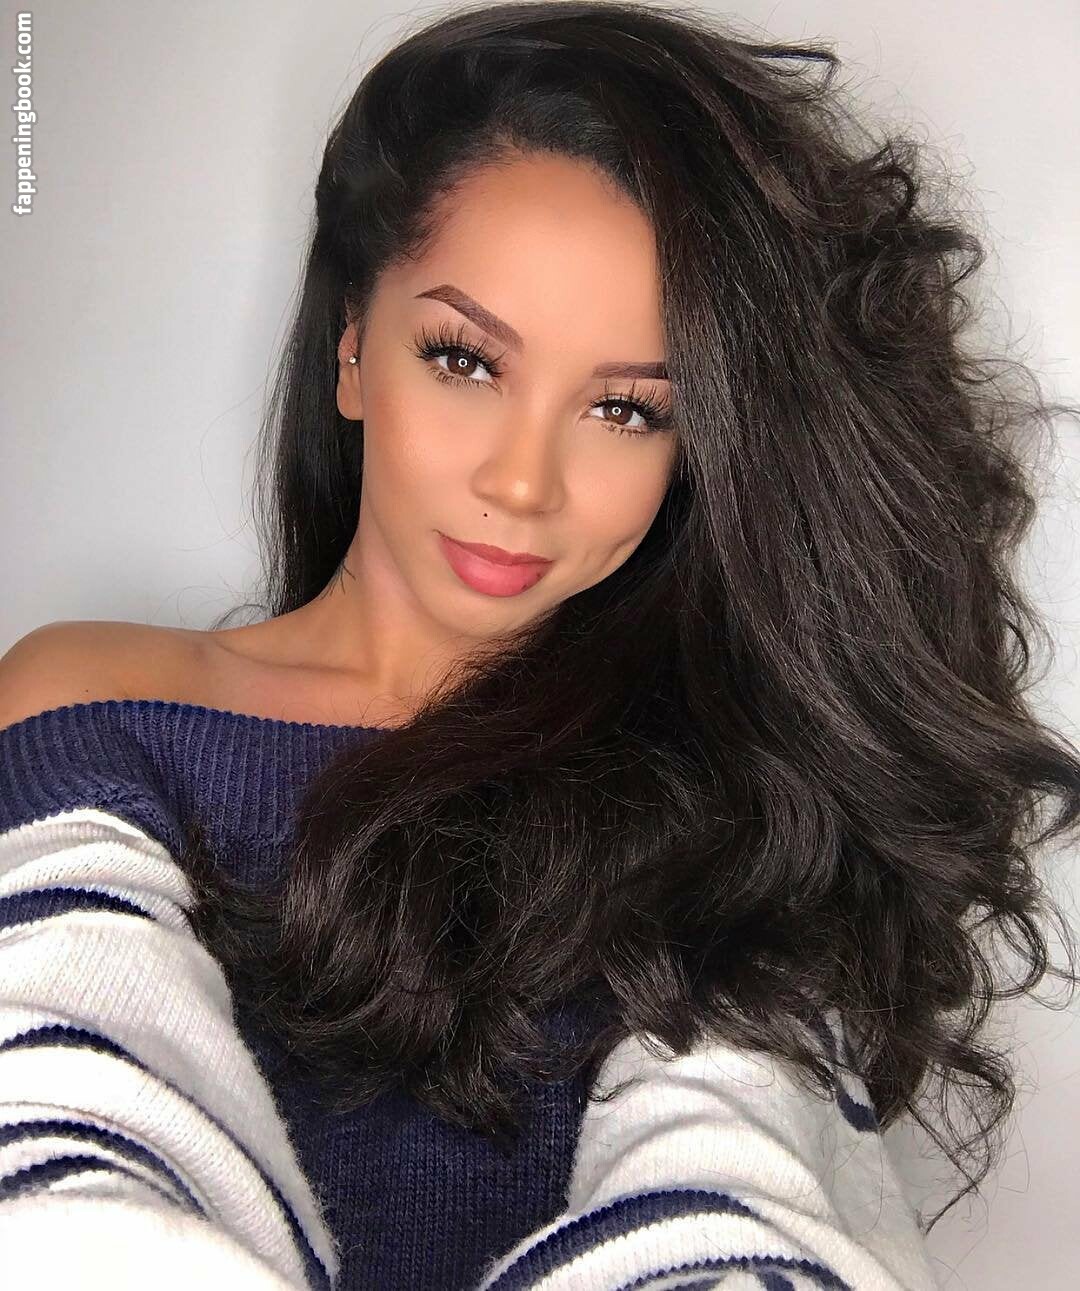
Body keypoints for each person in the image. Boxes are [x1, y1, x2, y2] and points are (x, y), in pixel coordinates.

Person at [1, 2, 1077, 1287]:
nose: (523, 481)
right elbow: (55, 1136)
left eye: (626, 409)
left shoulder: (742, 808)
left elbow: (741, 1195)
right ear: (353, 349)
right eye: (466, 360)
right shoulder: (92, 706)